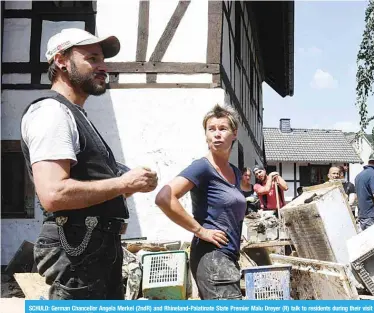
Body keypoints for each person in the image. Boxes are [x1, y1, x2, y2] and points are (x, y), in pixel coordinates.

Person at [21, 28, 158, 299]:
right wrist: (122, 183)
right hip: (75, 251)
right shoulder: (51, 113)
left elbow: (91, 187)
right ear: (61, 60)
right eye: (92, 58)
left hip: (93, 250)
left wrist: (130, 185)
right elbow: (53, 194)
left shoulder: (75, 115)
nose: (102, 67)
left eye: (103, 60)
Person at [155, 104, 246, 300]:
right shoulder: (202, 168)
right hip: (212, 257)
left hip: (228, 257)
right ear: (205, 135)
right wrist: (201, 231)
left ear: (234, 134)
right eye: (211, 129)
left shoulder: (235, 173)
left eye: (223, 128)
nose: (217, 134)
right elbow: (164, 197)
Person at [354, 155, 374, 230]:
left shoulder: (359, 176)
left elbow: (357, 196)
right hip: (371, 216)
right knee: (373, 240)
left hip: (362, 216)